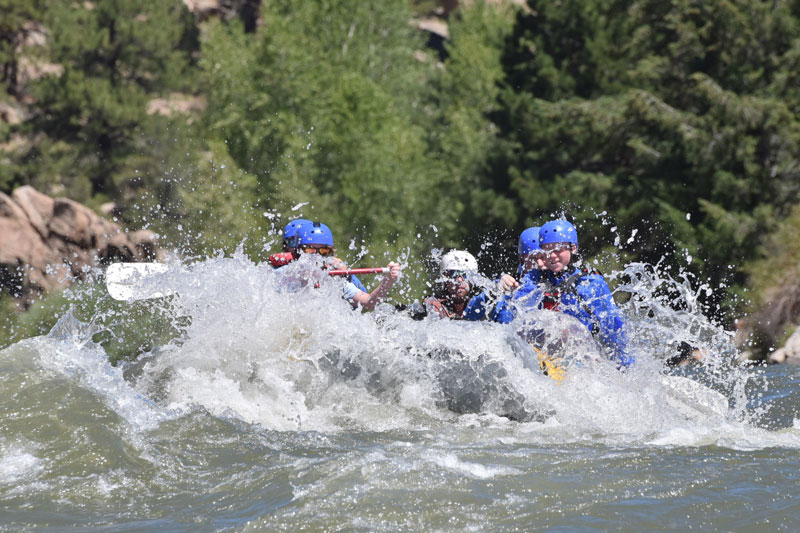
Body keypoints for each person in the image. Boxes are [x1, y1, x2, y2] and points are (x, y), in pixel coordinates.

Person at [510, 219, 634, 368]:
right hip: (546, 357)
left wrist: (625, 368)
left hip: (584, 358)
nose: (552, 256)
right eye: (547, 250)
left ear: (573, 248)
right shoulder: (533, 279)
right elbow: (518, 316)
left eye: (558, 249)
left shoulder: (590, 283)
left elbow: (614, 329)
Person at [293, 222, 401, 311]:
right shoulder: (284, 277)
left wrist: (388, 280)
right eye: (310, 250)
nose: (317, 256)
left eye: (323, 251)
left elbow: (368, 302)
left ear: (330, 254)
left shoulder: (336, 283)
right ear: (299, 252)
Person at [408, 250, 487, 320]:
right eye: (454, 274)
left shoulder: (479, 305)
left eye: (465, 275)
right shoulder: (433, 305)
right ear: (445, 278)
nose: (459, 280)